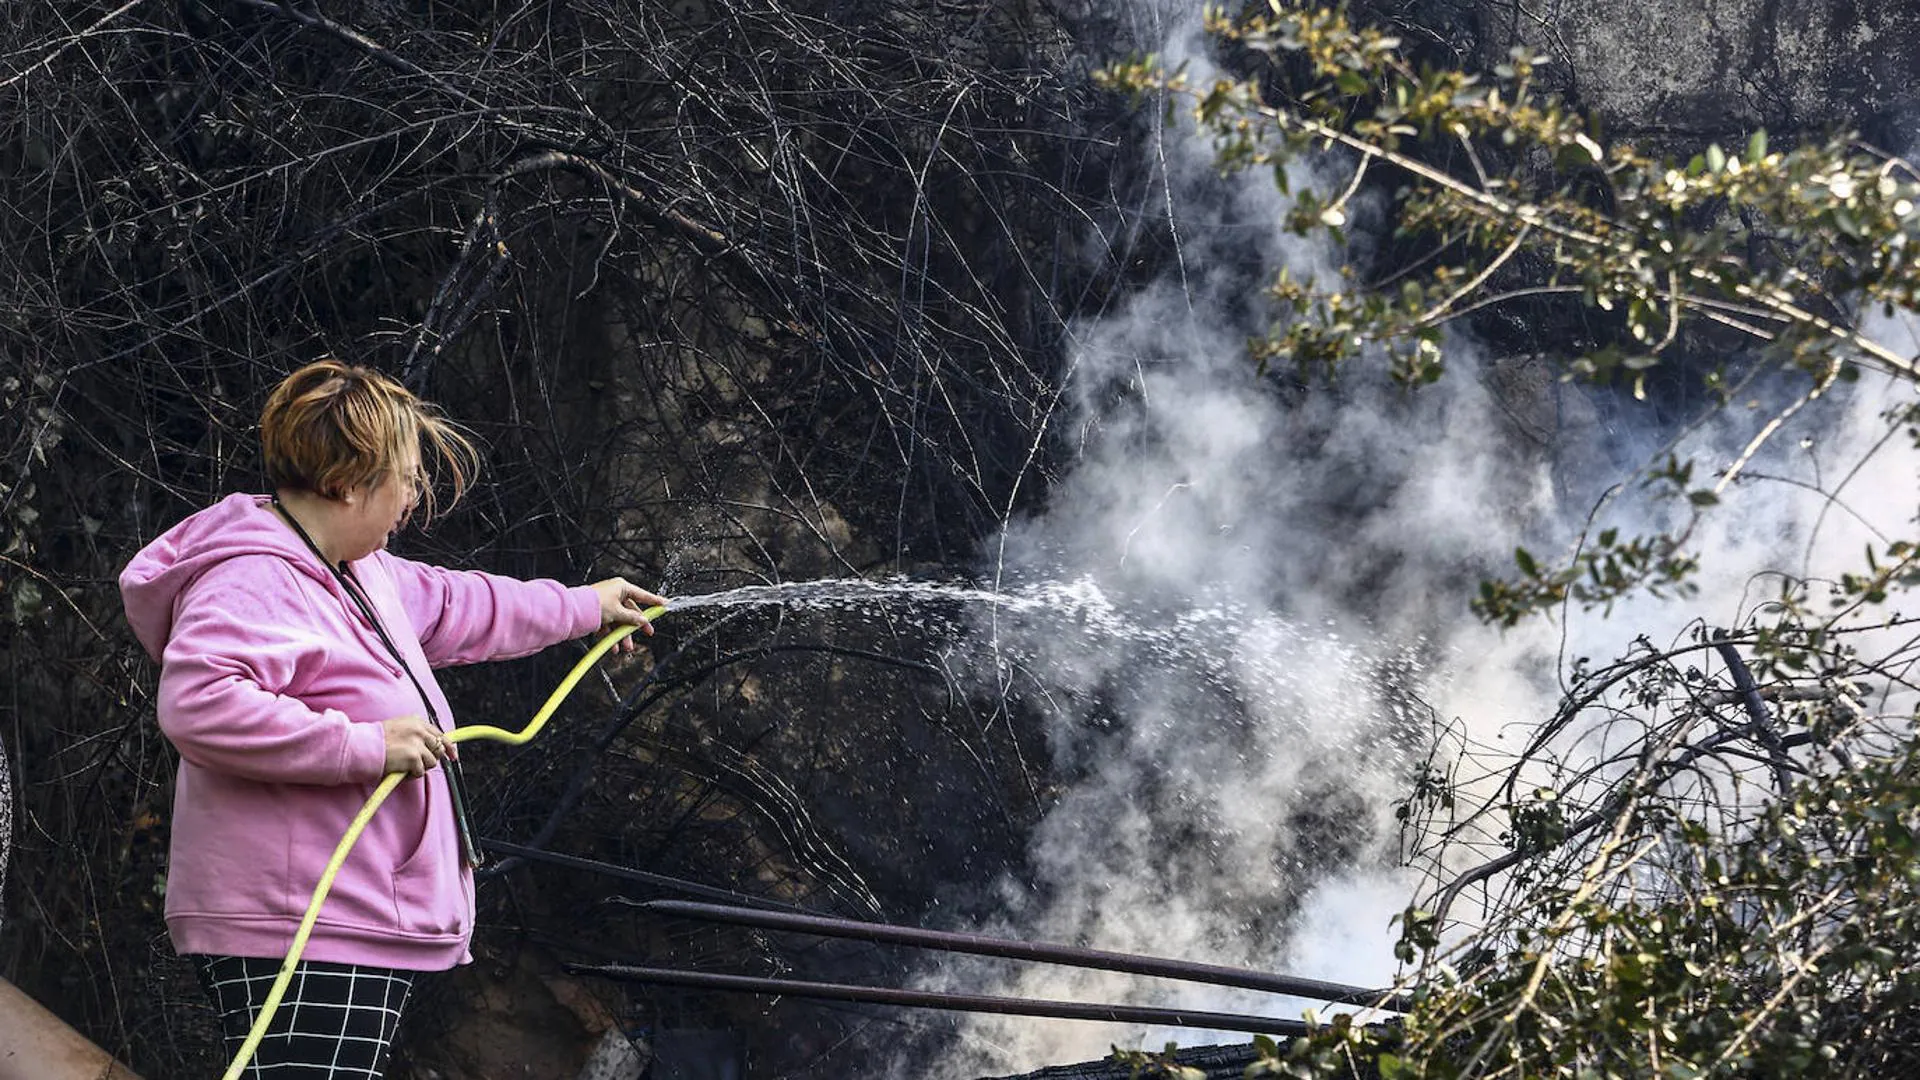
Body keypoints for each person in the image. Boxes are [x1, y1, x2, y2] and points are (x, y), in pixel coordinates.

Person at [119, 359, 665, 1077]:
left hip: (340, 920)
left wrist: (587, 607)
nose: (414, 495)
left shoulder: (358, 571)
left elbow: (463, 604)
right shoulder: (255, 576)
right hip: (298, 925)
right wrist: (363, 744)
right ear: (347, 481)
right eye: (405, 476)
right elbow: (199, 702)